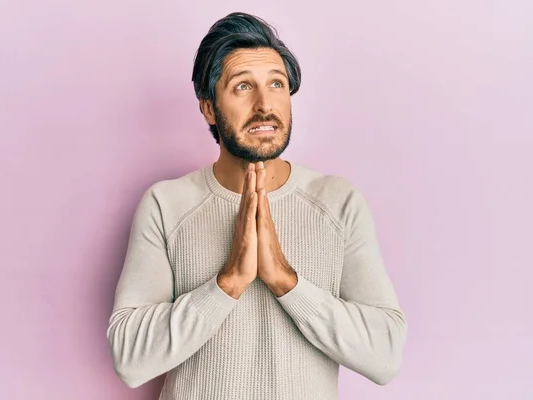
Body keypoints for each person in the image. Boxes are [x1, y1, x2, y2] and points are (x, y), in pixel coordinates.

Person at [107, 11, 407, 400]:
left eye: (277, 84)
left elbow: (385, 356)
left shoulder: (339, 202)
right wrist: (228, 282)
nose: (265, 104)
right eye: (243, 87)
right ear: (209, 108)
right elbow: (130, 360)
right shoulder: (165, 205)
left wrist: (285, 280)